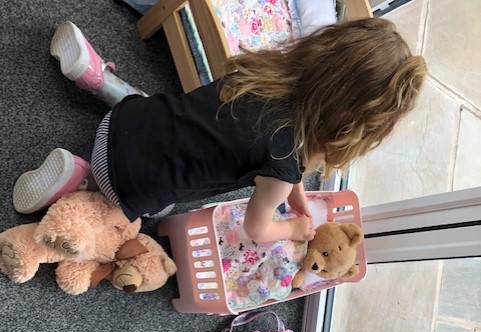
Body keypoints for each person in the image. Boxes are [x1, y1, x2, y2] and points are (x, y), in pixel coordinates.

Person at [13, 18, 427, 243]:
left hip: (124, 120)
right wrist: (293, 228)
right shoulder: (283, 165)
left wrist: (294, 187)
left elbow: (268, 142)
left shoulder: (261, 73)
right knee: (149, 212)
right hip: (124, 184)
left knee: (157, 108)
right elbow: (257, 229)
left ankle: (96, 76)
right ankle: (79, 181)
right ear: (356, 126)